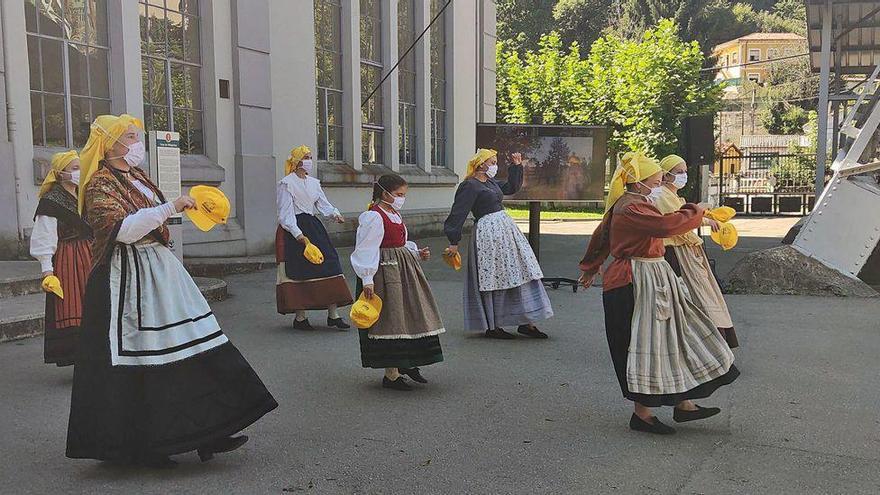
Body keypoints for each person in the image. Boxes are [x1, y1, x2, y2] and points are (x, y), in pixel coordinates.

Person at [66, 115, 277, 467]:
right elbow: (123, 230)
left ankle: (211, 430)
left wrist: (193, 208)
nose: (137, 143)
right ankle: (147, 444)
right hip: (128, 279)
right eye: (131, 137)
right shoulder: (100, 184)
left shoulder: (137, 177)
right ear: (111, 144)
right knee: (149, 357)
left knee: (197, 342)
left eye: (137, 136)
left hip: (160, 272)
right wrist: (170, 207)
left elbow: (154, 218)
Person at [579, 152, 739, 435]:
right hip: (635, 279)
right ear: (639, 181)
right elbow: (664, 226)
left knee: (672, 338)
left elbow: (602, 234)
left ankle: (684, 403)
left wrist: (592, 266)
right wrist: (696, 211)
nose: (658, 182)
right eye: (654, 179)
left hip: (653, 275)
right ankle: (643, 414)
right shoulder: (630, 207)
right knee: (643, 345)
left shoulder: (636, 202)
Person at [443, 149, 553, 340]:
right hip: (488, 235)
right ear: (481, 164)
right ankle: (493, 325)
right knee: (495, 276)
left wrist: (517, 166)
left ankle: (526, 321)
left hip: (505, 233)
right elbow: (458, 212)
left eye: (495, 161)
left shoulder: (491, 181)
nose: (495, 165)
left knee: (519, 272)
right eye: (492, 162)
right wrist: (454, 241)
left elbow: (510, 187)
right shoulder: (470, 185)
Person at [350, 174, 445, 391]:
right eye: (399, 194)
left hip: (403, 268)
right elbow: (366, 248)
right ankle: (391, 374)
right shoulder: (373, 217)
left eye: (403, 195)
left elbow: (400, 242)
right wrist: (367, 279)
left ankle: (407, 363)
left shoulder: (394, 213)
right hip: (383, 272)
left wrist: (416, 252)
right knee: (391, 319)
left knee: (409, 314)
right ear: (385, 193)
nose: (402, 198)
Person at [657, 155, 738, 348]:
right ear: (666, 175)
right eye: (679, 172)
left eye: (685, 171)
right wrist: (701, 215)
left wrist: (706, 217)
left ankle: (711, 343)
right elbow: (678, 221)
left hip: (686, 250)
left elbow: (684, 216)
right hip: (677, 252)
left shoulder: (672, 195)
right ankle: (706, 345)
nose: (683, 175)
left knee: (702, 295)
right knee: (695, 296)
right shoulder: (661, 195)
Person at [276, 145, 353, 330]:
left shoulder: (314, 183)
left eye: (311, 157)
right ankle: (300, 317)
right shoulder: (286, 183)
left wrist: (335, 214)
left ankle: (333, 315)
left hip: (313, 226)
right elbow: (285, 214)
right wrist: (298, 235)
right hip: (295, 229)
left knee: (329, 263)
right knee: (300, 270)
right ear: (297, 161)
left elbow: (322, 204)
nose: (310, 160)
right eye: (307, 157)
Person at [30, 150, 92, 366]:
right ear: (60, 173)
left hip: (90, 255)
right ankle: (76, 356)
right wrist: (47, 270)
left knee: (94, 303)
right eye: (74, 169)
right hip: (68, 259)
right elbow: (44, 237)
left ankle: (95, 354)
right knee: (72, 306)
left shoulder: (84, 195)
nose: (79, 173)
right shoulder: (51, 202)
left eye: (80, 168)